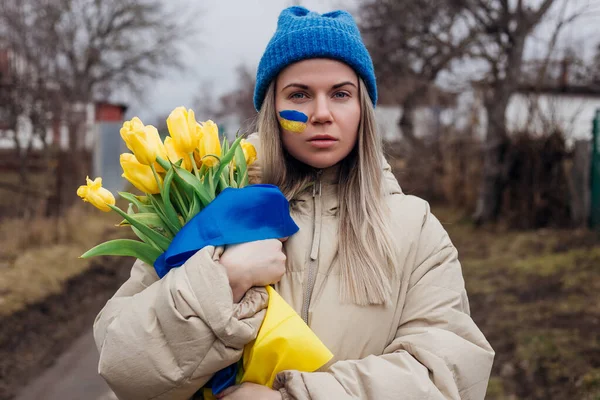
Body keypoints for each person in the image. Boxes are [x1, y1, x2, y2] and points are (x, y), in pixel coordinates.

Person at [93, 6, 494, 400]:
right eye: (299, 94)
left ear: (362, 110)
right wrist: (224, 281)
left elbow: (446, 378)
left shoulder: (415, 228)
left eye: (340, 94)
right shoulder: (208, 207)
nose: (320, 114)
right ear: (273, 109)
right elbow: (125, 366)